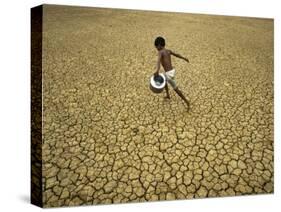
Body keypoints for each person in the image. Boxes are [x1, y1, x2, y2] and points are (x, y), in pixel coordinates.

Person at [154, 36, 190, 110]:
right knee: (164, 80)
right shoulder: (168, 51)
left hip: (169, 74)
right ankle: (168, 95)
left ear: (159, 45)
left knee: (176, 89)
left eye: (156, 46)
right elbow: (177, 55)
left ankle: (187, 102)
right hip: (171, 71)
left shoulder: (160, 52)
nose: (156, 48)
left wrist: (157, 70)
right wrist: (184, 58)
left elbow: (158, 62)